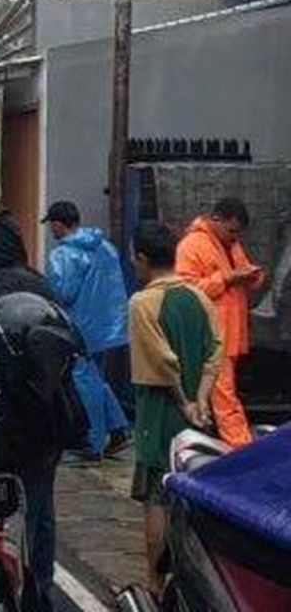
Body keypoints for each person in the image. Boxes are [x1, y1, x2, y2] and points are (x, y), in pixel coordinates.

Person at [0, 210, 68, 610]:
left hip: (17, 415)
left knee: (5, 504)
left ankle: (13, 588)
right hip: (50, 410)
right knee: (41, 507)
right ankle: (40, 588)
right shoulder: (37, 282)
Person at [128, 221, 222, 594]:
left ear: (142, 259)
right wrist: (201, 400)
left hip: (161, 411)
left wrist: (183, 401)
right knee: (187, 497)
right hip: (198, 415)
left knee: (156, 498)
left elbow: (163, 361)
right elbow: (216, 348)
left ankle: (154, 580)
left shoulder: (143, 302)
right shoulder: (198, 296)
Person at [43, 200, 131, 460]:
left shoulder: (62, 254)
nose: (51, 230)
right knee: (95, 378)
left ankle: (93, 441)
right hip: (109, 327)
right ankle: (118, 429)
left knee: (84, 381)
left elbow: (63, 293)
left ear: (59, 224)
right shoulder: (106, 247)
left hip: (79, 328)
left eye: (51, 225)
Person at [175, 197, 265, 447]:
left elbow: (242, 273)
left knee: (224, 395)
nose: (234, 236)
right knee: (225, 397)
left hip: (231, 332)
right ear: (217, 219)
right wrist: (227, 278)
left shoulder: (231, 242)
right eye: (232, 230)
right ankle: (242, 449)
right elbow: (187, 289)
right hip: (213, 334)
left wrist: (253, 277)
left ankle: (235, 446)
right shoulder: (191, 245)